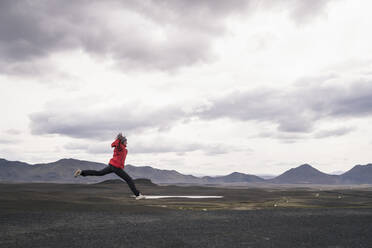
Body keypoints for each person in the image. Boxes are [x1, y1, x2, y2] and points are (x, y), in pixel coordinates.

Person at [74, 133, 145, 200]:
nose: (127, 143)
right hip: (116, 167)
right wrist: (119, 139)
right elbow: (118, 144)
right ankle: (138, 195)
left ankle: (81, 172)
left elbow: (120, 147)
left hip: (112, 166)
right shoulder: (120, 147)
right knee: (129, 180)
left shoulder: (122, 148)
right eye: (126, 141)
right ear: (122, 142)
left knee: (99, 173)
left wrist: (120, 139)